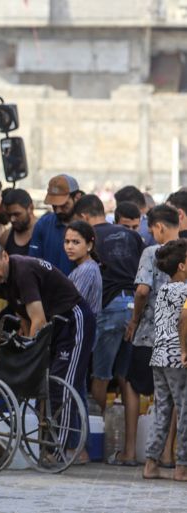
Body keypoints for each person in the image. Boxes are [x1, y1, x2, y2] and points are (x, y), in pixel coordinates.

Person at [0, 241, 95, 455]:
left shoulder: (23, 271)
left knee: (61, 385)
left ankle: (61, 450)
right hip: (54, 323)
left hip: (73, 319)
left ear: (5, 256)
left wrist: (28, 354)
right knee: (54, 385)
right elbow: (23, 315)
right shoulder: (3, 281)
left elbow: (38, 320)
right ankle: (76, 449)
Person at [73, 194, 144, 447]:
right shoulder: (132, 236)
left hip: (110, 308)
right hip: (134, 308)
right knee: (126, 378)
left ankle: (95, 443)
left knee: (101, 375)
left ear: (83, 216)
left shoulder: (91, 238)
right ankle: (129, 448)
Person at [123, 204, 180, 466]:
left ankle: (130, 450)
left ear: (159, 227)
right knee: (172, 395)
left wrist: (134, 320)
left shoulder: (152, 252)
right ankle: (168, 454)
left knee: (134, 386)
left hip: (148, 333)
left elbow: (142, 291)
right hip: (178, 337)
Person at [143, 239, 187, 481]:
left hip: (159, 355)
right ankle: (182, 466)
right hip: (178, 357)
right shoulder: (186, 291)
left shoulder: (163, 290)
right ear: (182, 266)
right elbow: (184, 320)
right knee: (184, 410)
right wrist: (183, 349)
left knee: (162, 410)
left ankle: (151, 463)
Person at [29, 174, 83, 275]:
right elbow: (33, 263)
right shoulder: (43, 225)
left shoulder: (87, 227)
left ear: (77, 197)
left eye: (64, 206)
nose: (58, 210)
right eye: (54, 206)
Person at [64, 220, 102, 316]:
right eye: (67, 241)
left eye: (75, 242)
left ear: (89, 245)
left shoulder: (87, 269)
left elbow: (73, 305)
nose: (69, 247)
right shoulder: (85, 267)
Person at [0, 188, 36, 257]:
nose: (12, 219)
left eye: (17, 214)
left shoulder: (45, 233)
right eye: (9, 215)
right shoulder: (5, 237)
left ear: (30, 208)